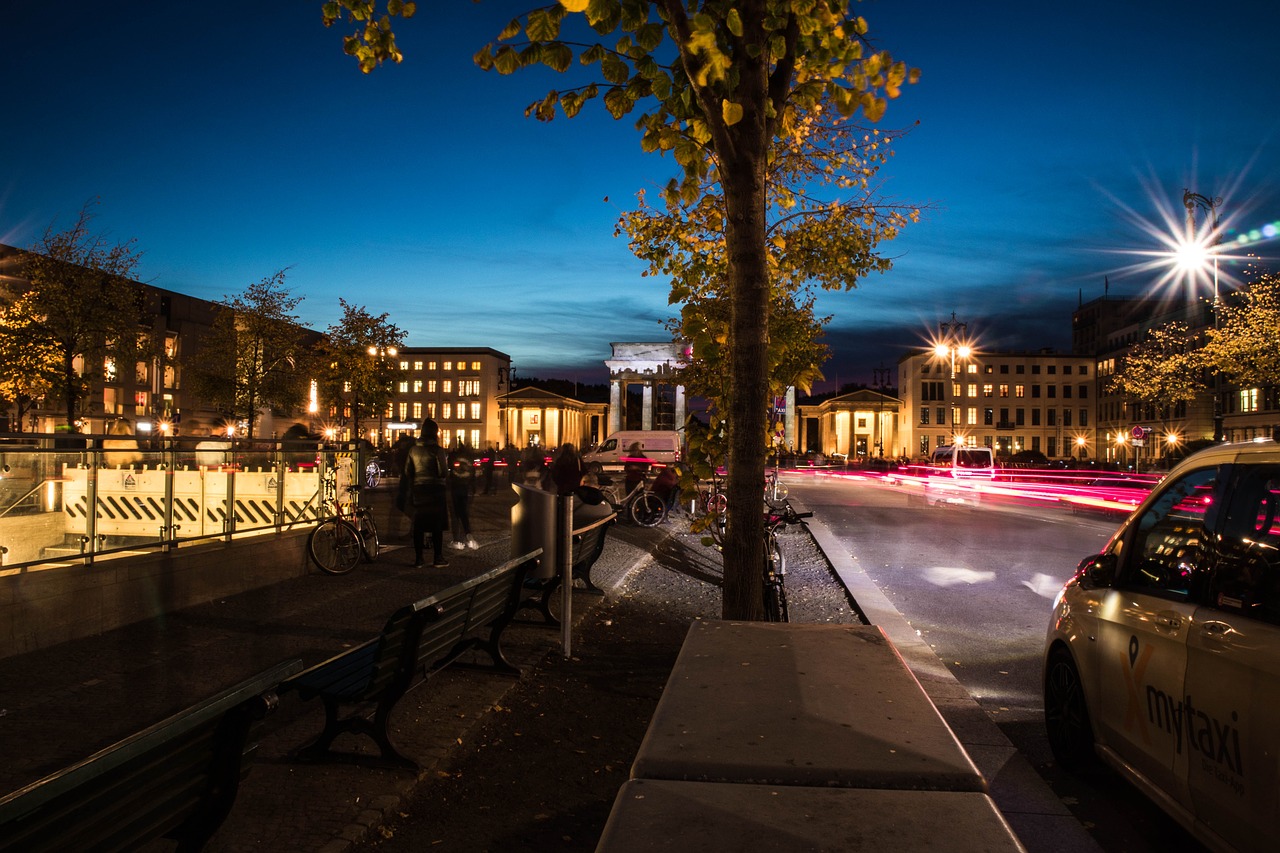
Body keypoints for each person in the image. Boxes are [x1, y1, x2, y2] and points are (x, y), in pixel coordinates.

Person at [398, 419, 450, 568]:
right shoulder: (438, 450)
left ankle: (419, 559)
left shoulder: (413, 450)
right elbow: (443, 472)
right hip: (435, 491)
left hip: (418, 490)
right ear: (434, 433)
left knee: (419, 525)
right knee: (436, 525)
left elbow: (408, 471)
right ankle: (438, 557)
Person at [447, 444, 478, 550]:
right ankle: (469, 537)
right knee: (464, 514)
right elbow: (474, 475)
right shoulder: (470, 459)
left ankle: (457, 541)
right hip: (467, 489)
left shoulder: (453, 458)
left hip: (455, 488)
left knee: (455, 515)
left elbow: (449, 472)